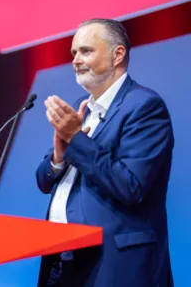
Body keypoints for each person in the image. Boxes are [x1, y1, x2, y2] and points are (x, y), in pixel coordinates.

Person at [36, 19, 174, 286]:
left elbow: (130, 186)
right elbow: (43, 181)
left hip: (112, 263)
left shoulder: (145, 107)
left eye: (86, 51)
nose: (76, 60)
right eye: (73, 53)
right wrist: (58, 155)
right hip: (61, 260)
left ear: (118, 54)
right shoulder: (80, 107)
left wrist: (75, 138)